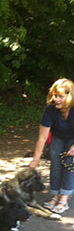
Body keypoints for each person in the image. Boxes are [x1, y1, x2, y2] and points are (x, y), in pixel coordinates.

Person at [29, 78, 74, 214]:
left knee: (69, 164)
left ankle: (64, 199)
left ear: (69, 96)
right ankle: (54, 197)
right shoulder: (50, 110)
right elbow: (42, 137)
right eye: (55, 95)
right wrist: (35, 161)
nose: (56, 99)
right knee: (55, 163)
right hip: (58, 137)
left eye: (61, 96)